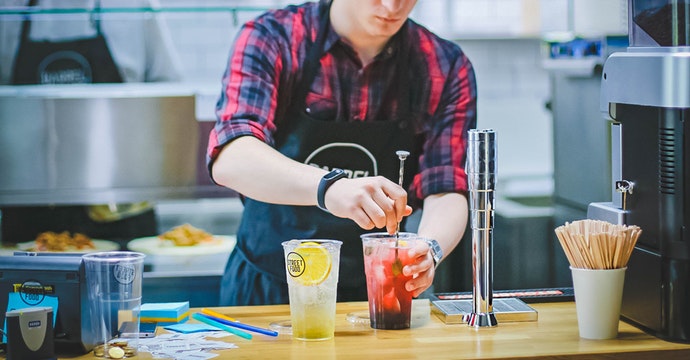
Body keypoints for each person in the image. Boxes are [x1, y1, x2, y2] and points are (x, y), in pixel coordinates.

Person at [208, 0, 476, 306]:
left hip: (377, 293)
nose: (392, 6)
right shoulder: (273, 37)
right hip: (266, 290)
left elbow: (446, 187)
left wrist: (429, 248)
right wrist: (329, 187)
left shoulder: (443, 64)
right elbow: (231, 157)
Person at [0, 0, 182, 243]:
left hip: (120, 208)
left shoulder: (134, 5)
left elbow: (169, 96)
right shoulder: (9, 9)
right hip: (29, 208)